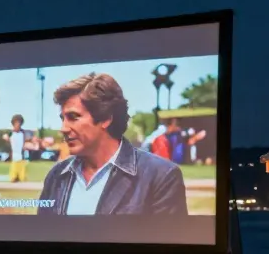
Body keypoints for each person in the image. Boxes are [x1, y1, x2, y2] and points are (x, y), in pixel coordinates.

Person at [37, 73, 188, 216]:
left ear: (105, 119)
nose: (63, 128)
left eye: (73, 117)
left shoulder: (161, 176)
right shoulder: (56, 176)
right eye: (62, 118)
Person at [7, 114, 30, 183]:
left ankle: (20, 178)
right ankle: (14, 178)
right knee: (13, 177)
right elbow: (5, 137)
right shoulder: (11, 133)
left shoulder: (23, 133)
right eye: (16, 123)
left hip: (21, 157)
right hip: (14, 157)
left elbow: (27, 139)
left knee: (22, 178)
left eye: (19, 123)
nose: (17, 125)